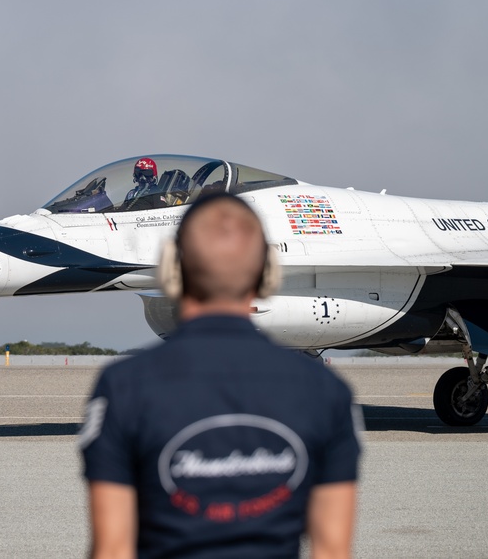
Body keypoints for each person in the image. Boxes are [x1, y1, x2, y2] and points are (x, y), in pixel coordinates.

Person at [80, 193, 360, 559]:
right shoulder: (326, 392)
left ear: (172, 269)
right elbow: (333, 550)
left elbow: (112, 550)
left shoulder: (122, 387)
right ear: (268, 272)